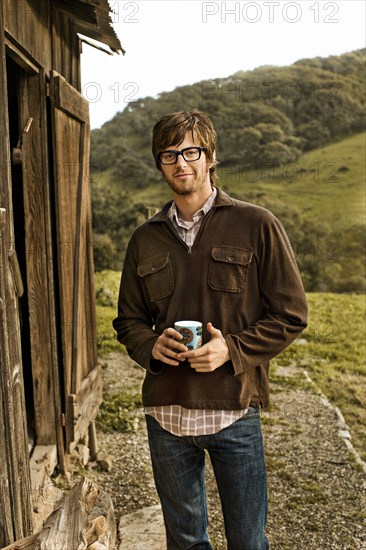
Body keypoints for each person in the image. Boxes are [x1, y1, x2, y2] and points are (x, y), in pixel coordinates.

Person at [113, 109, 308, 550]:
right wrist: (150, 345)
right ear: (159, 164)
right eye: (169, 155)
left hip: (234, 410)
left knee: (247, 541)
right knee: (185, 542)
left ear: (210, 157)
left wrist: (232, 351)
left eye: (191, 151)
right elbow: (128, 321)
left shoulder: (257, 224)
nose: (181, 163)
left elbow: (291, 314)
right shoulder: (144, 238)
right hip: (165, 415)